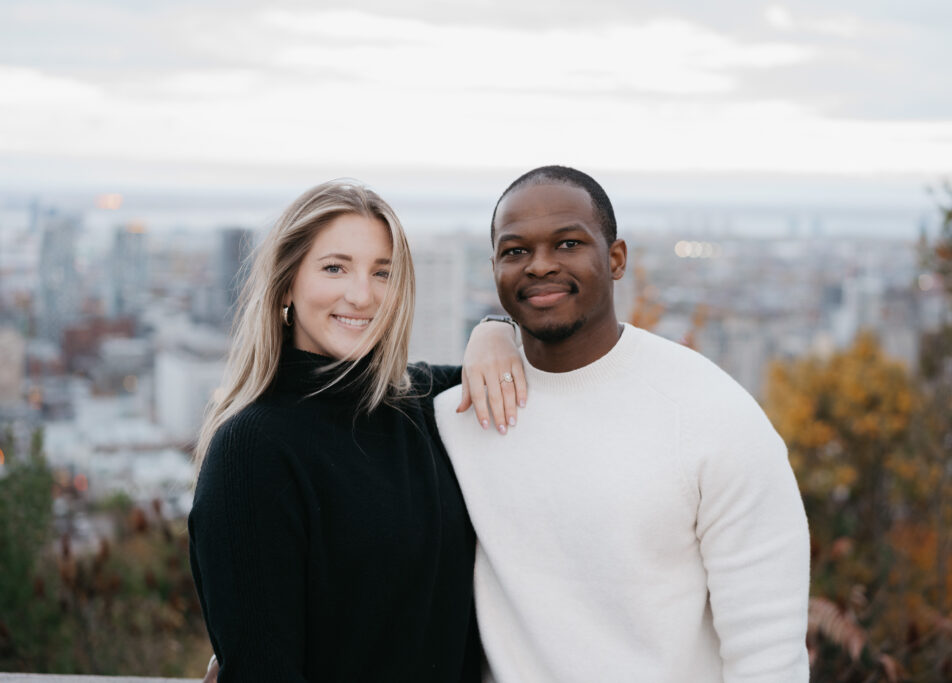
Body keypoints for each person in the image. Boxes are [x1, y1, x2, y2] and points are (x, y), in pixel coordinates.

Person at [434, 166, 811, 682]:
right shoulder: (456, 417)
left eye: (567, 244)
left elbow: (767, 652)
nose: (539, 265)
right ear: (494, 267)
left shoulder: (713, 415)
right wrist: (491, 328)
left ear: (615, 259)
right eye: (515, 251)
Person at [188, 180, 526, 682]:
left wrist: (497, 329)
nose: (362, 295)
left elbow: (544, 378)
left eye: (382, 273)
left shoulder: (425, 402)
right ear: (286, 285)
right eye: (334, 268)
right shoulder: (251, 450)